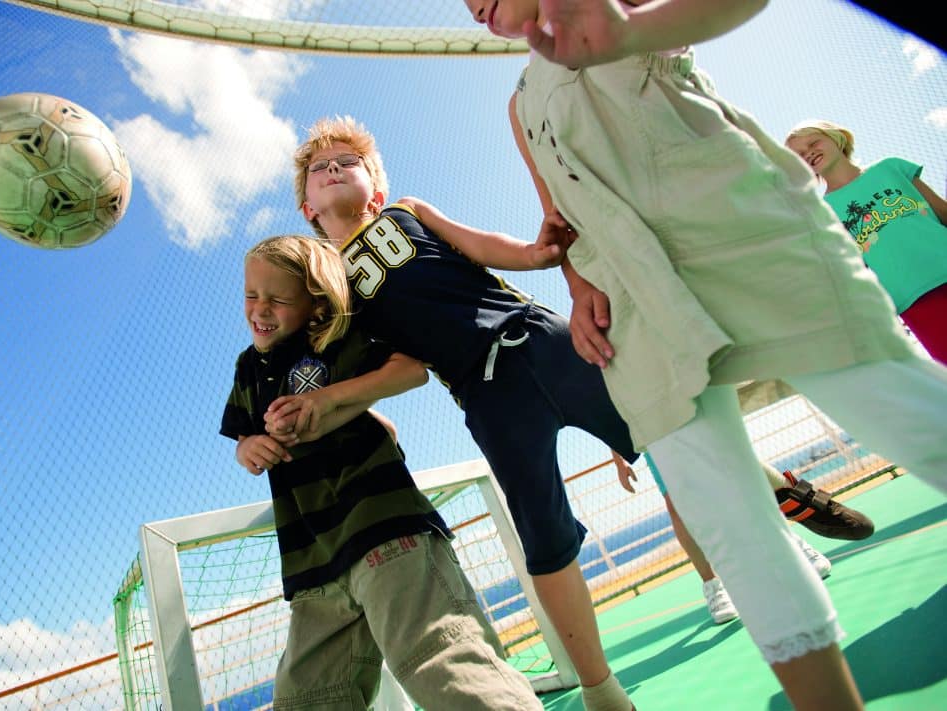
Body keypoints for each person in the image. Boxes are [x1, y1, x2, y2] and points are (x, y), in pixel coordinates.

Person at [460, 1, 947, 709]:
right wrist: (578, 277)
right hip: (631, 300)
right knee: (724, 514)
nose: (476, 8)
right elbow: (559, 208)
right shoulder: (520, 104)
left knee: (905, 408)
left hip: (743, 230)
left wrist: (628, 32)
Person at [291, 114, 646, 711]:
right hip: (486, 396)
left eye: (345, 162)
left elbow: (478, 245)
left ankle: (776, 490)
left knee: (668, 420)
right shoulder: (331, 287)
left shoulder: (407, 211)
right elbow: (404, 367)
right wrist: (331, 399)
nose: (332, 170)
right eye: (319, 169)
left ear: (373, 187)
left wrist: (535, 255)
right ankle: (601, 691)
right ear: (307, 208)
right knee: (545, 540)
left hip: (537, 338)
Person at [219, 234, 541, 711]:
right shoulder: (248, 368)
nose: (259, 309)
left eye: (278, 299)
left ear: (315, 304)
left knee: (441, 665)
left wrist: (327, 398)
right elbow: (241, 440)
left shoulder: (331, 342)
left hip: (385, 533)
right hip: (314, 564)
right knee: (308, 697)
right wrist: (252, 447)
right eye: (251, 295)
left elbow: (410, 370)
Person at [784, 119, 947, 364]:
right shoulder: (821, 214)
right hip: (911, 299)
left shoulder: (891, 168)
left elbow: (942, 211)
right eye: (799, 155)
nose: (809, 153)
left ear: (836, 137)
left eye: (813, 142)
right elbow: (852, 270)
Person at [618, 454, 832, 625]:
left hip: (689, 407)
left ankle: (789, 543)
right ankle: (713, 585)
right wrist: (619, 458)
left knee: (733, 473)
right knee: (676, 502)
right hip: (649, 427)